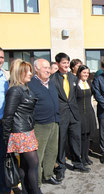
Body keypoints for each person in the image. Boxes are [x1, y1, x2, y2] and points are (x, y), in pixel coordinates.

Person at [2, 59, 41, 194]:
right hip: (20, 133)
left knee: (26, 165)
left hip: (27, 131)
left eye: (31, 70)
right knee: (33, 164)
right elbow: (8, 116)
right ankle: (36, 191)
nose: (31, 73)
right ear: (19, 73)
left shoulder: (25, 88)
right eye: (27, 71)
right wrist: (6, 139)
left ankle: (26, 191)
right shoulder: (15, 91)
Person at [51, 53, 90, 182]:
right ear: (57, 64)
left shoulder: (74, 79)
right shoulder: (52, 79)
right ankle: (60, 168)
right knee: (61, 142)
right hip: (61, 115)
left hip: (74, 114)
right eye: (64, 63)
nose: (66, 65)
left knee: (75, 139)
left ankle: (78, 164)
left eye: (67, 63)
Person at [28, 59, 61, 186]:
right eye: (45, 68)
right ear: (36, 69)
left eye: (49, 68)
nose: (48, 70)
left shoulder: (51, 83)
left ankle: (48, 175)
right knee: (38, 154)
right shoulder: (31, 84)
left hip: (54, 121)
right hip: (40, 124)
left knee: (52, 151)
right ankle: (36, 182)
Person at [76, 65, 97, 166]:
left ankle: (86, 156)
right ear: (79, 73)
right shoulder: (75, 84)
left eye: (87, 73)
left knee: (88, 136)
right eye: (84, 73)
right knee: (82, 136)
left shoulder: (89, 83)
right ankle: (81, 157)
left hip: (89, 112)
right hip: (80, 113)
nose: (86, 75)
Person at [0, 47, 10, 193]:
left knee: (3, 156)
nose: (1, 60)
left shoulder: (4, 75)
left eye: (2, 57)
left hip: (3, 122)